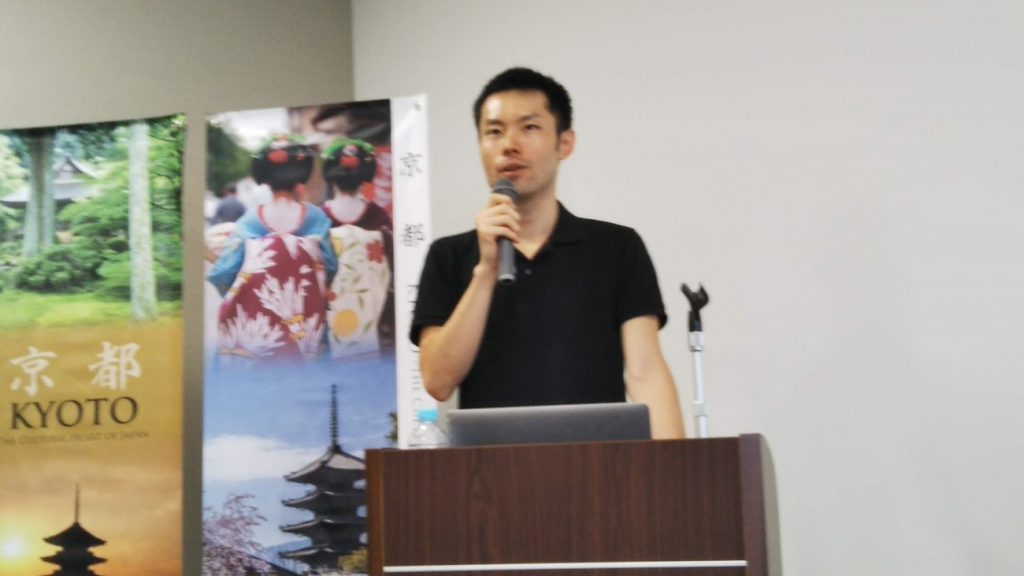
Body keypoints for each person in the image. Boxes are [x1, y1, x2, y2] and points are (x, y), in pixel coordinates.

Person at [410, 67, 685, 438]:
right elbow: (438, 381)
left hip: (600, 464)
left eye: (529, 127)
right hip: (485, 470)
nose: (509, 144)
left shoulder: (618, 248)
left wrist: (675, 466)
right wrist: (486, 270)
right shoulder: (448, 256)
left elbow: (645, 372)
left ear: (564, 143)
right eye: (494, 131)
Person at [207, 136, 337, 361]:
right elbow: (330, 266)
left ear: (264, 177)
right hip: (308, 329)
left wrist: (251, 291)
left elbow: (224, 273)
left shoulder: (249, 221)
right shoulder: (316, 218)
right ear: (302, 174)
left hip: (261, 336)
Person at [320, 138, 395, 357]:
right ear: (365, 178)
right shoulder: (378, 216)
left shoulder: (320, 218)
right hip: (372, 309)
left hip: (330, 310)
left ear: (331, 179)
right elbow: (391, 267)